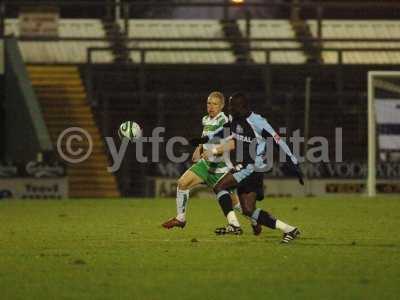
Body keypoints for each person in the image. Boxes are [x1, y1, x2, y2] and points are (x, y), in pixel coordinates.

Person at [192, 92, 304, 243]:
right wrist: (205, 139)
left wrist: (294, 163)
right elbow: (223, 131)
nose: (230, 109)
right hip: (248, 168)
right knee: (249, 210)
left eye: (232, 106)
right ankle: (290, 229)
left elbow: (278, 141)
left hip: (251, 167)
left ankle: (233, 225)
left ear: (241, 106)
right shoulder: (236, 120)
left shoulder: (258, 122)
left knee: (219, 187)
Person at [162, 91, 261, 235]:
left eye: (215, 104)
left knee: (237, 205)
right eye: (209, 103)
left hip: (221, 167)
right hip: (205, 164)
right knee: (182, 183)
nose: (211, 107)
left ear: (221, 106)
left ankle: (255, 220)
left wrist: (213, 150)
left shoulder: (225, 121)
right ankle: (180, 218)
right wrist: (198, 148)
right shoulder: (206, 120)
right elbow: (205, 136)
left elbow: (232, 142)